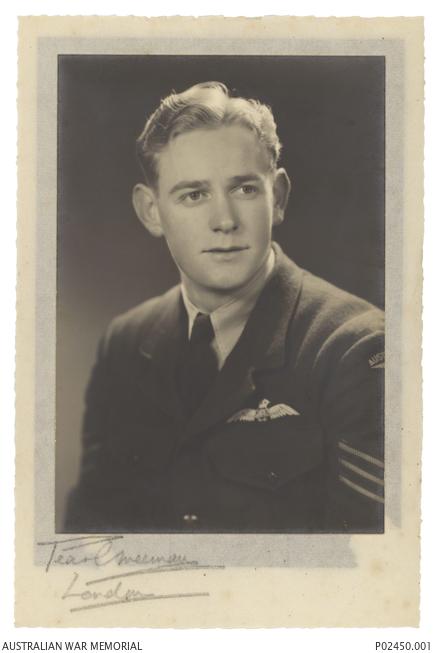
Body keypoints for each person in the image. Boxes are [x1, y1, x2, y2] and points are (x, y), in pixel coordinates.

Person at [65, 81, 384, 534]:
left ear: (279, 197)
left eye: (245, 190)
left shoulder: (354, 350)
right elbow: (88, 538)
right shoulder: (126, 341)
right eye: (194, 194)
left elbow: (369, 568)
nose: (225, 221)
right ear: (151, 212)